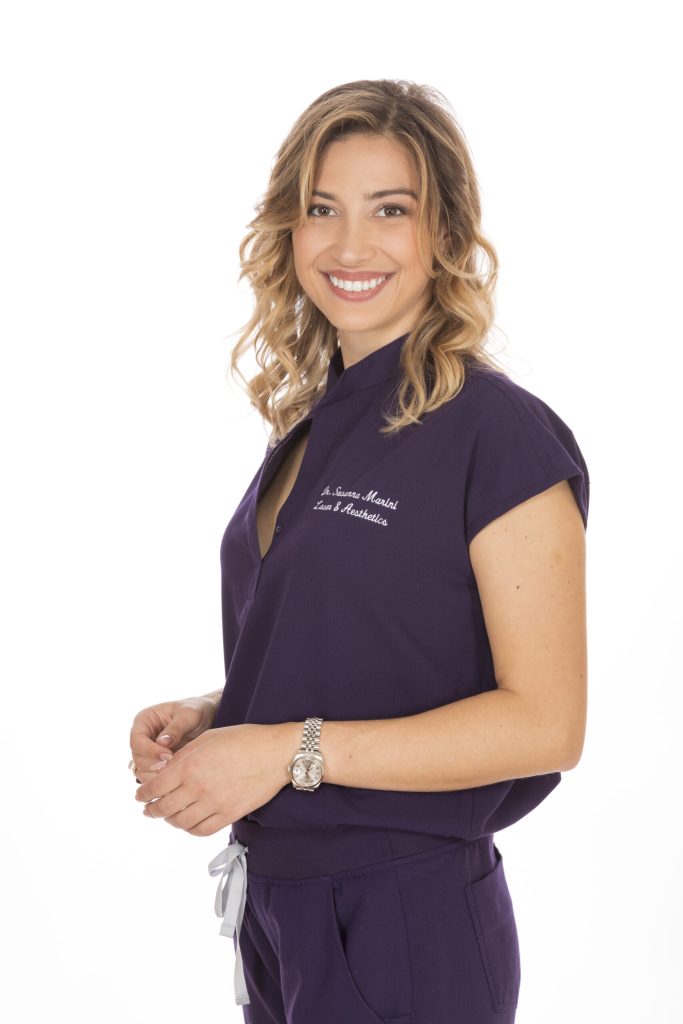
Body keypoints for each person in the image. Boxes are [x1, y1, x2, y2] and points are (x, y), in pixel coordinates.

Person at [128, 79, 589, 1024]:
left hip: (403, 916)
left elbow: (546, 723)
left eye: (390, 210)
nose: (348, 246)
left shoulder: (496, 434)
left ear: (445, 232)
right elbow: (373, 649)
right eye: (321, 209)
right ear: (287, 230)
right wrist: (222, 713)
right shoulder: (315, 425)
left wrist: (282, 751)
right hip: (279, 908)